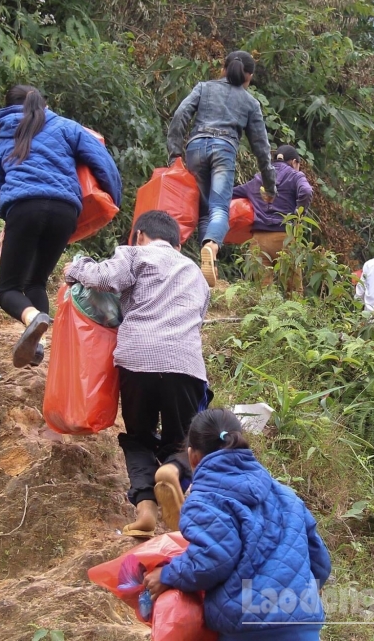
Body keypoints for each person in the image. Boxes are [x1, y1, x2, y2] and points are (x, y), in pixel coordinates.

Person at [64, 211, 211, 537]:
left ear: (140, 234)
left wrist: (73, 269)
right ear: (177, 242)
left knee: (139, 439)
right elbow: (199, 315)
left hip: (137, 362)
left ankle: (145, 511)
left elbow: (103, 279)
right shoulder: (195, 273)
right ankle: (173, 470)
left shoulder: (134, 253)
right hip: (184, 364)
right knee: (188, 440)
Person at [144, 409, 331, 641]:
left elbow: (212, 559)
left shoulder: (205, 499)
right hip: (304, 626)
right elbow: (320, 561)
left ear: (192, 456)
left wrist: (167, 574)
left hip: (248, 628)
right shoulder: (286, 495)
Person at [0, 84, 122, 368]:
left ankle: (31, 319)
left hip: (24, 208)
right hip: (65, 211)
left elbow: (1, 182)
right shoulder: (66, 126)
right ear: (43, 104)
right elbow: (103, 162)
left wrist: (9, 218)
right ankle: (37, 346)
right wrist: (114, 198)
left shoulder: (5, 135)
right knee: (36, 281)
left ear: (9, 107)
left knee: (9, 291)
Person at [167, 50, 278, 287]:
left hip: (195, 148)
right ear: (248, 76)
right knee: (219, 210)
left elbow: (180, 114)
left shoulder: (204, 88)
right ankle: (212, 246)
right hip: (224, 150)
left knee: (203, 210)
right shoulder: (250, 103)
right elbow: (261, 148)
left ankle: (206, 269)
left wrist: (175, 153)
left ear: (224, 68)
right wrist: (269, 185)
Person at [233, 144, 313, 291]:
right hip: (284, 238)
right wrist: (298, 215)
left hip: (258, 241)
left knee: (263, 292)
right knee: (294, 292)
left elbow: (228, 195)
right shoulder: (295, 176)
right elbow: (306, 191)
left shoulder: (258, 179)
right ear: (294, 162)